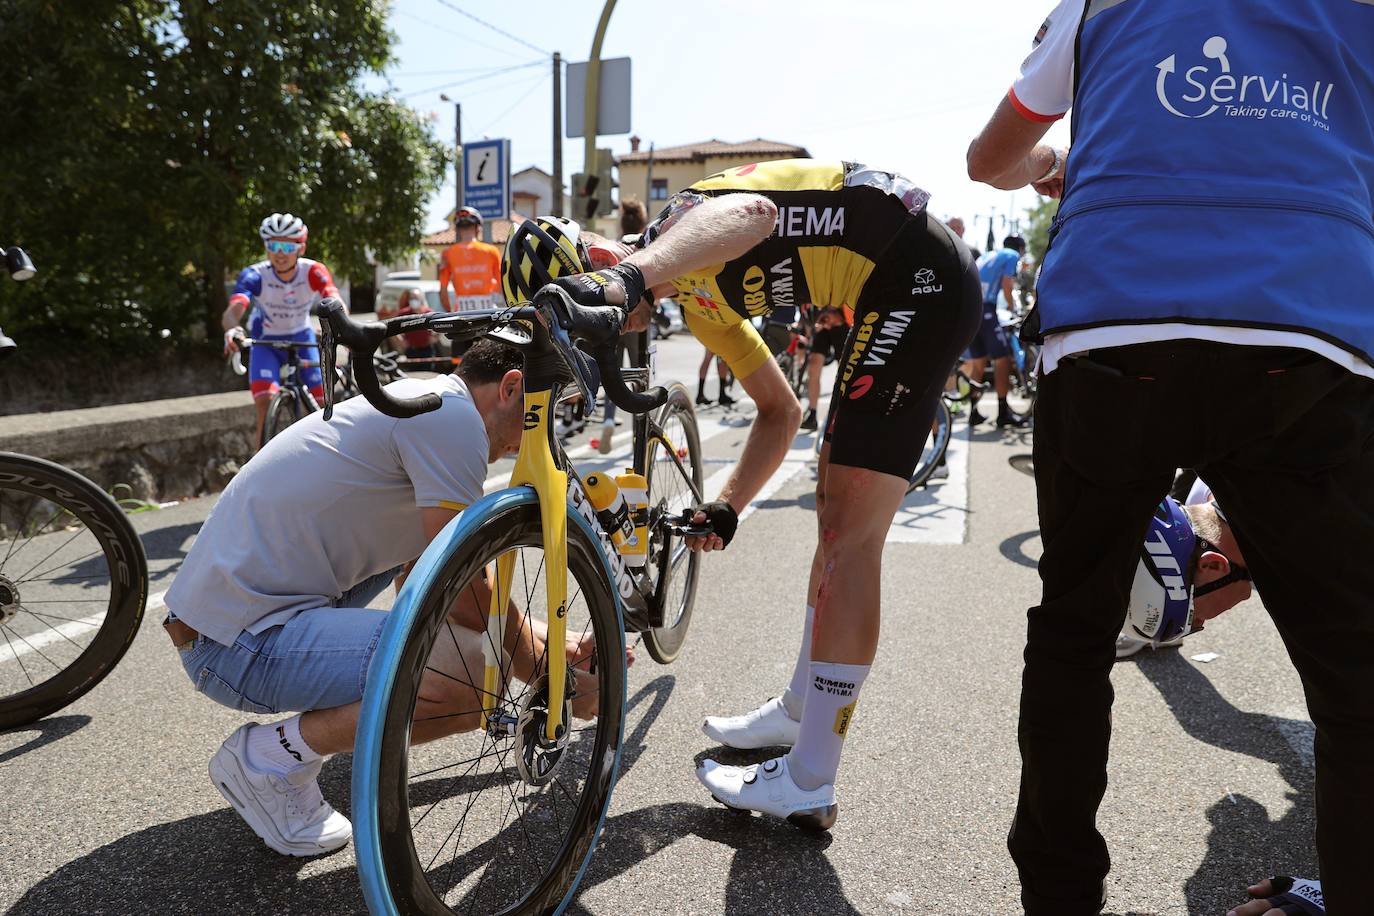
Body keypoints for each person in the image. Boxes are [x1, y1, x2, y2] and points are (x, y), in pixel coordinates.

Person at [967, 1, 1373, 912]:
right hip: (1304, 322)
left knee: (1075, 631)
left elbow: (987, 160)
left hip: (1116, 315)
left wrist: (1053, 163)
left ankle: (1060, 896)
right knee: (1354, 672)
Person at [513, 159, 982, 830]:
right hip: (895, 284)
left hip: (918, 276)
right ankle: (800, 710)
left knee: (851, 534)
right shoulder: (698, 299)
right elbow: (779, 410)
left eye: (589, 313)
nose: (606, 330)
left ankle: (811, 778)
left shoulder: (684, 222)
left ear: (599, 262)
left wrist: (630, 276)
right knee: (833, 516)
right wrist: (729, 503)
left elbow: (757, 214)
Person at [163, 340, 606, 856]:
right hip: (232, 646)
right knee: (471, 679)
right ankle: (272, 757)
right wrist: (550, 672)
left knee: (475, 643)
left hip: (229, 622)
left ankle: (295, 745)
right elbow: (462, 588)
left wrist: (540, 640)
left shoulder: (426, 401)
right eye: (545, 414)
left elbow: (427, 581)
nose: (539, 438)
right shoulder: (452, 420)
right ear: (511, 388)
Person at [222, 213, 340, 450]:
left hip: (301, 337)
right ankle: (259, 466)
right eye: (273, 245)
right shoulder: (255, 274)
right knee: (264, 402)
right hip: (266, 341)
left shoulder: (313, 271)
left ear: (301, 247)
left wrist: (344, 325)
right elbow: (232, 312)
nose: (280, 252)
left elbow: (334, 300)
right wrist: (232, 328)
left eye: (287, 245)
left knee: (323, 400)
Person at [966, 235, 1030, 427]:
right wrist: (1013, 309)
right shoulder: (1012, 255)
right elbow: (1007, 285)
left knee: (979, 363)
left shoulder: (989, 254)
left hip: (970, 307)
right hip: (985, 308)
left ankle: (974, 412)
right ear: (1020, 249)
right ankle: (1003, 414)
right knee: (1002, 360)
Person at [437, 206, 501, 312]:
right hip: (488, 311)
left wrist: (449, 313)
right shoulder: (491, 251)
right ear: (478, 228)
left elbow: (443, 291)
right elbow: (503, 285)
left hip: (462, 311)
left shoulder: (448, 253)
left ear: (457, 229)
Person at [798, 305, 849, 432]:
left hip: (839, 322)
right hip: (821, 323)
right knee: (814, 367)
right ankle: (812, 413)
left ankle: (847, 411)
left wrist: (836, 315)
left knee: (846, 369)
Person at [395, 287, 440, 367]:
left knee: (426, 374)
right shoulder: (404, 313)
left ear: (421, 299)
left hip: (427, 350)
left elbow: (439, 327)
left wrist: (435, 338)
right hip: (411, 351)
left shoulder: (429, 313)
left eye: (415, 298)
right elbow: (394, 328)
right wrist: (401, 341)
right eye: (411, 298)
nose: (413, 300)